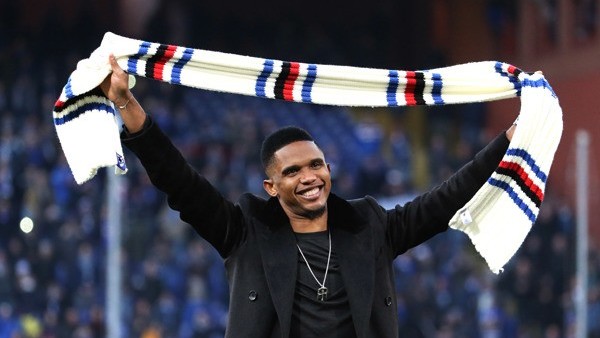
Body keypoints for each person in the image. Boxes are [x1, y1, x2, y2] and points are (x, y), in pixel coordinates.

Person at [100, 54, 516, 338]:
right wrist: (127, 103)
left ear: (329, 170)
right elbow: (180, 183)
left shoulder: (370, 225)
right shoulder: (245, 231)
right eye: (293, 171)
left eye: (316, 165)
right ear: (271, 187)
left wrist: (509, 140)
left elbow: (445, 200)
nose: (309, 177)